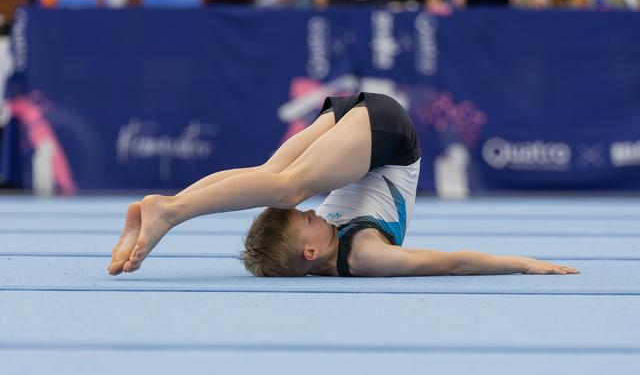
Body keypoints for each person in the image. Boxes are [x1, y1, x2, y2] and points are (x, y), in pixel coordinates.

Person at [108, 92, 580, 277]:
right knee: (281, 182)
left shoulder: (322, 242)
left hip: (365, 134)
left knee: (279, 181)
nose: (315, 212)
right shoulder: (365, 253)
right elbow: (450, 263)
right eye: (307, 221)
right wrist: (522, 263)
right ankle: (166, 207)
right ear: (310, 253)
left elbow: (289, 202)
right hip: (387, 137)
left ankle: (169, 207)